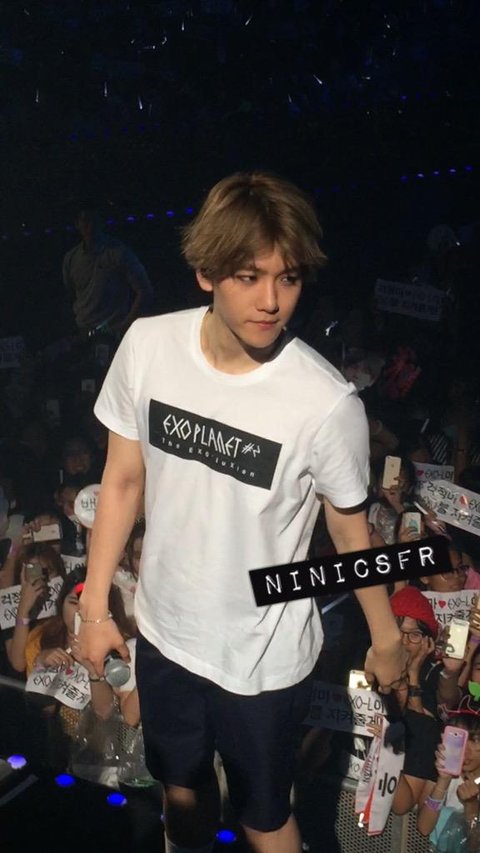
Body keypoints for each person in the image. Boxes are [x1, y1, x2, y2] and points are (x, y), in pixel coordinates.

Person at [77, 171, 406, 853]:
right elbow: (122, 481)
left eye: (288, 278)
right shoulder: (148, 347)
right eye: (249, 277)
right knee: (181, 791)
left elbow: (350, 531)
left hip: (264, 659)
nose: (271, 300)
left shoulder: (325, 402)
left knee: (265, 817)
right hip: (165, 633)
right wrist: (94, 607)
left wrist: (385, 636)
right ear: (206, 272)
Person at [63, 208, 153, 338]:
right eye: (86, 220)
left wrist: (124, 326)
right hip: (82, 331)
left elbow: (145, 290)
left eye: (94, 220)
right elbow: (70, 294)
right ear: (77, 224)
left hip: (112, 332)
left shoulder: (119, 253)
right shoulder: (71, 258)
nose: (90, 225)